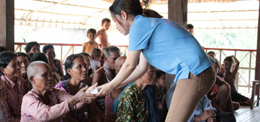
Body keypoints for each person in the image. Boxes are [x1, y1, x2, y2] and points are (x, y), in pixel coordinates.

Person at [97, 1, 216, 121]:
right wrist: (112, 86)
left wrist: (111, 84)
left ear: (123, 14)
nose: (116, 26)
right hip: (199, 72)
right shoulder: (146, 25)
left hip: (195, 72)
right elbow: (141, 68)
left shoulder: (138, 26)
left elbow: (130, 65)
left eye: (115, 21)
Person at [20, 61, 97, 122]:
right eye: (45, 75)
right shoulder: (28, 99)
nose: (50, 78)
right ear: (32, 79)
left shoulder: (54, 92)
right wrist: (76, 99)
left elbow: (76, 104)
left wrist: (92, 92)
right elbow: (45, 115)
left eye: (50, 74)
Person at [55, 54, 96, 121]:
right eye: (79, 67)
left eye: (85, 66)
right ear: (69, 71)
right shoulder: (61, 88)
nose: (85, 69)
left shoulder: (85, 87)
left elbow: (93, 112)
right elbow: (65, 117)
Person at [92, 46, 121, 122]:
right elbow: (92, 93)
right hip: (102, 106)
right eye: (114, 59)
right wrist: (99, 113)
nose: (117, 61)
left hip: (116, 102)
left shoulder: (118, 71)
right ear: (106, 59)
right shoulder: (99, 73)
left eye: (118, 58)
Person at [0, 51, 26, 122]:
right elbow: (5, 118)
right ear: (3, 70)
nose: (18, 67)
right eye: (14, 65)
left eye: (18, 63)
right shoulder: (1, 87)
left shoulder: (22, 81)